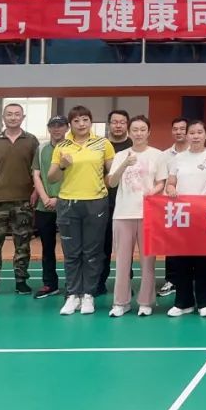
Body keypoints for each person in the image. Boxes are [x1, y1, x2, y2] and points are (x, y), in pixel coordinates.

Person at [48, 106, 116, 316]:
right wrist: (62, 165)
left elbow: (112, 175)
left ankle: (88, 295)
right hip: (68, 203)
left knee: (92, 252)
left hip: (96, 202)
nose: (81, 124)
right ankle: (72, 295)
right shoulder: (62, 146)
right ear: (70, 124)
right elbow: (51, 178)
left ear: (91, 121)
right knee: (72, 252)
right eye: (76, 121)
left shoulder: (103, 144)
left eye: (85, 119)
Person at [106, 115, 167, 317]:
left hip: (148, 214)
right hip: (123, 213)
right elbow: (112, 182)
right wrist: (125, 164)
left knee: (148, 262)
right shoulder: (121, 155)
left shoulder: (158, 155)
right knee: (122, 262)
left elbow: (162, 182)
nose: (139, 133)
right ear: (129, 132)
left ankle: (146, 302)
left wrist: (152, 192)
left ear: (149, 132)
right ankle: (120, 302)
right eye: (135, 130)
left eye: (142, 130)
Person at [0, 103, 39, 299]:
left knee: (23, 245)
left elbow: (38, 170)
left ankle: (21, 281)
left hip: (24, 202)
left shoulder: (32, 141)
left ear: (23, 117)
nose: (13, 117)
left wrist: (36, 192)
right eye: (9, 114)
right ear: (3, 118)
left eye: (17, 114)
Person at [164, 120, 206, 317]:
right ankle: (183, 303)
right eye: (192, 133)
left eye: (200, 132)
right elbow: (171, 182)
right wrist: (171, 188)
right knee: (181, 260)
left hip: (205, 215)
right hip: (182, 215)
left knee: (204, 260)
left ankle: (205, 302)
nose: (196, 136)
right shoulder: (178, 158)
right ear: (187, 135)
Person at [95, 109, 132, 297]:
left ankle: (126, 284)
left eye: (122, 122)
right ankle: (99, 282)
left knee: (126, 247)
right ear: (109, 124)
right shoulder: (99, 146)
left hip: (128, 203)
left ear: (127, 125)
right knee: (103, 245)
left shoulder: (134, 146)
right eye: (114, 122)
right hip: (103, 202)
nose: (118, 125)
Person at [31, 115, 69, 299]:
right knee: (47, 248)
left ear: (67, 128)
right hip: (44, 206)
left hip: (68, 204)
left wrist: (59, 199)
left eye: (60, 125)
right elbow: (36, 175)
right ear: (49, 128)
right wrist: (45, 197)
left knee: (71, 248)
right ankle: (50, 284)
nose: (57, 129)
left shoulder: (73, 148)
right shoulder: (41, 149)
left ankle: (73, 284)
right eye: (53, 126)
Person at [158, 116, 190, 299]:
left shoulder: (200, 153)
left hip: (194, 208)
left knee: (192, 245)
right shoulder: (164, 156)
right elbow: (162, 181)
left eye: (182, 129)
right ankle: (171, 280)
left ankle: (191, 278)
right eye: (175, 129)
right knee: (172, 245)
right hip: (172, 207)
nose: (179, 132)